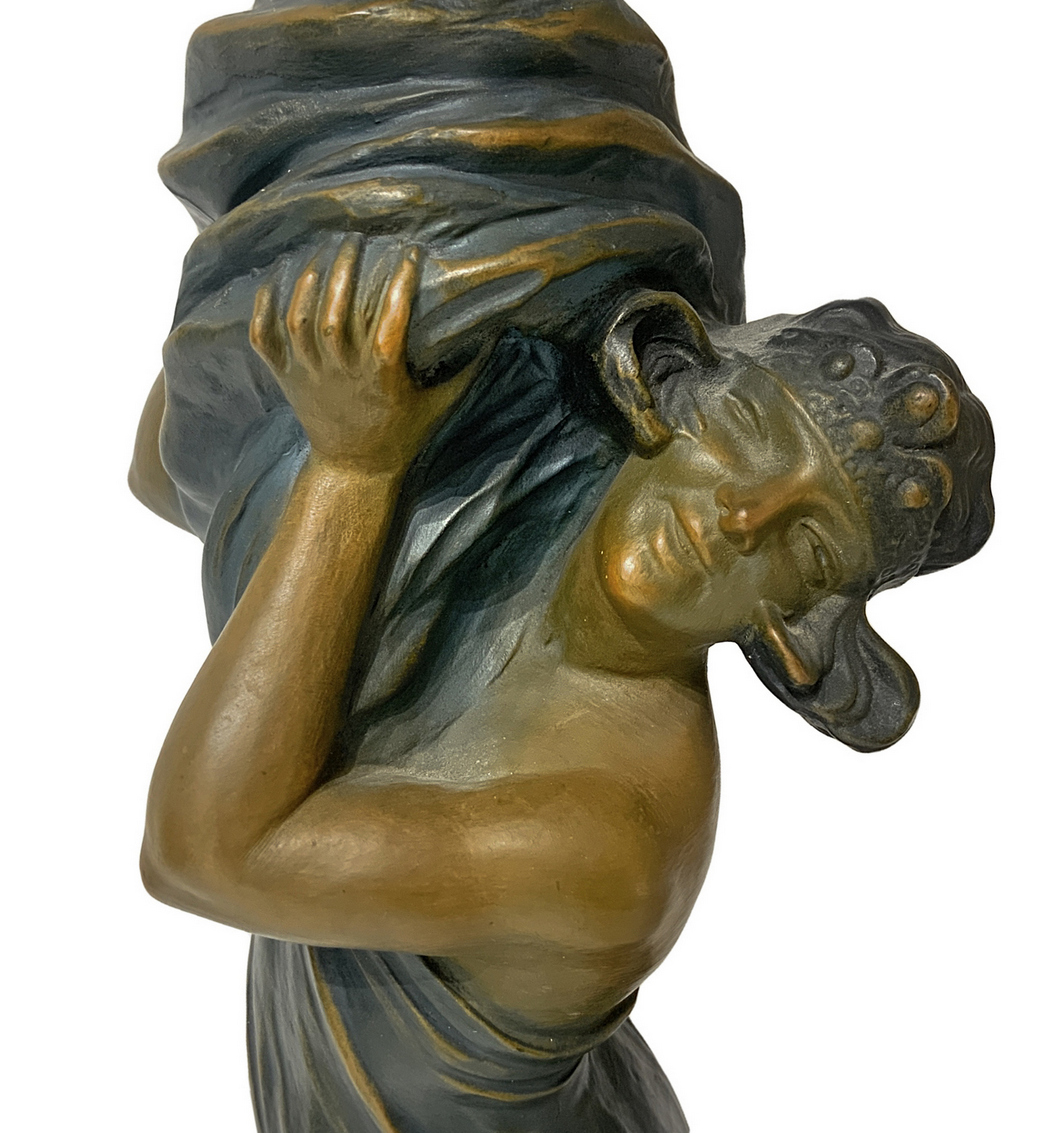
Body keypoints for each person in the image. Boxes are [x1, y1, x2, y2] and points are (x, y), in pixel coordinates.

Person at [136, 233, 991, 1133]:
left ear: (797, 625)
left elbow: (204, 856)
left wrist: (351, 467)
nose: (743, 515)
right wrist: (285, 274)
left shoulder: (607, 843)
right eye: (744, 434)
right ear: (666, 396)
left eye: (807, 545)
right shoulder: (526, 488)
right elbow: (172, 472)